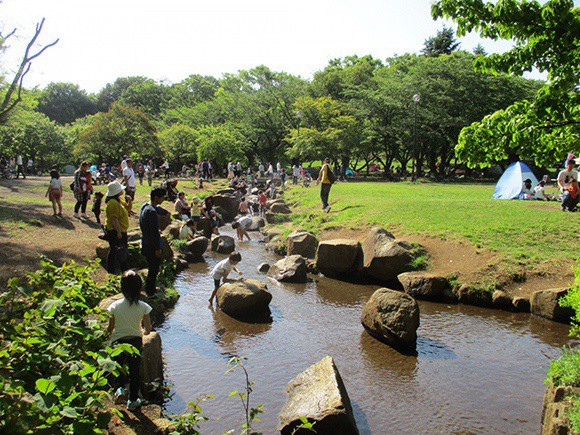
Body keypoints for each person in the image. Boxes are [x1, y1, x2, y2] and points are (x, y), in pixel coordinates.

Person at [107, 270, 152, 411]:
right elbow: (148, 327)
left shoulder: (115, 306)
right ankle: (132, 400)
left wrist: (111, 334)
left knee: (118, 367)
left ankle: (119, 389)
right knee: (134, 371)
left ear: (122, 288)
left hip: (118, 341)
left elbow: (111, 327)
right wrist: (144, 332)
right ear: (140, 288)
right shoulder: (143, 307)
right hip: (135, 341)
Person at [139, 187, 166, 295]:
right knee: (153, 269)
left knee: (151, 267)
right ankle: (150, 292)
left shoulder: (145, 206)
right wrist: (158, 249)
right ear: (156, 198)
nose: (163, 200)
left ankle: (150, 288)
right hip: (151, 244)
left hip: (145, 240)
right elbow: (154, 233)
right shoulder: (152, 212)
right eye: (162, 197)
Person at [105, 181, 130, 273]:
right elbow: (114, 219)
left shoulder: (118, 200)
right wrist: (119, 232)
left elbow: (128, 209)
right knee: (115, 250)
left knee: (120, 250)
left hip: (120, 230)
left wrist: (129, 201)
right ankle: (113, 270)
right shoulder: (112, 203)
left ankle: (121, 270)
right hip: (115, 231)